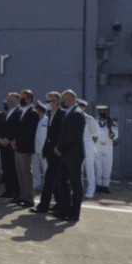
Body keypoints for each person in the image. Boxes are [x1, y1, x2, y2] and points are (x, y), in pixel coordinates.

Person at [53, 90, 86, 222]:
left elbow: (72, 136)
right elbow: (63, 134)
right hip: (66, 154)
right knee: (61, 182)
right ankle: (64, 210)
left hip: (73, 155)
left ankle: (74, 214)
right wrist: (58, 147)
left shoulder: (77, 113)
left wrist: (60, 148)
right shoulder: (69, 112)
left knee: (75, 184)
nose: (61, 101)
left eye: (63, 98)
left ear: (71, 99)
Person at [32, 91, 66, 214]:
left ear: (55, 102)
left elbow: (63, 134)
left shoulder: (62, 114)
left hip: (57, 153)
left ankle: (44, 205)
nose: (47, 104)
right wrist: (46, 149)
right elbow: (49, 135)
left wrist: (59, 148)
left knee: (50, 179)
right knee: (53, 180)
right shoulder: (51, 114)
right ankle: (58, 204)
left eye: (48, 101)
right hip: (50, 152)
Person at [11, 89, 39, 207]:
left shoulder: (33, 113)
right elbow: (16, 129)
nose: (21, 100)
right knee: (20, 173)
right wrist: (13, 140)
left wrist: (17, 141)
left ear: (29, 100)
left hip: (26, 147)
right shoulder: (20, 112)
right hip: (18, 147)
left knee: (26, 173)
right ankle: (22, 195)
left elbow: (29, 132)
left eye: (23, 98)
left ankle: (29, 198)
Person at [0, 93, 21, 198]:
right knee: (6, 168)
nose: (9, 101)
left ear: (17, 100)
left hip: (13, 145)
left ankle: (16, 192)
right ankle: (8, 190)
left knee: (14, 169)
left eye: (11, 99)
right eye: (8, 99)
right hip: (3, 145)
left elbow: (18, 128)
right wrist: (0, 139)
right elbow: (0, 128)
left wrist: (10, 139)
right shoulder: (5, 113)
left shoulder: (20, 112)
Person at [77, 99, 99, 198]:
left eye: (82, 106)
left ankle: (91, 190)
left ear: (84, 108)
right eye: (78, 106)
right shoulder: (73, 118)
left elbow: (95, 134)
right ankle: (78, 189)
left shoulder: (89, 119)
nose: (80, 108)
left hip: (87, 145)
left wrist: (89, 144)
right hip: (77, 146)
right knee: (78, 170)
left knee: (89, 169)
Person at [95, 105, 118, 193]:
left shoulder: (112, 122)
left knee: (107, 166)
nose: (102, 112)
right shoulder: (94, 121)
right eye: (100, 111)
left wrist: (113, 136)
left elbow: (116, 134)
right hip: (98, 146)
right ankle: (98, 185)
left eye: (104, 111)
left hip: (108, 146)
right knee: (98, 167)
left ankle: (106, 186)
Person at [31, 101, 48, 192]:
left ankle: (46, 186)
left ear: (41, 110)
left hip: (43, 148)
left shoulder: (47, 120)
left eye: (37, 110)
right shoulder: (33, 120)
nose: (36, 111)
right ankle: (36, 184)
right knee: (35, 168)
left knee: (45, 168)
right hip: (34, 147)